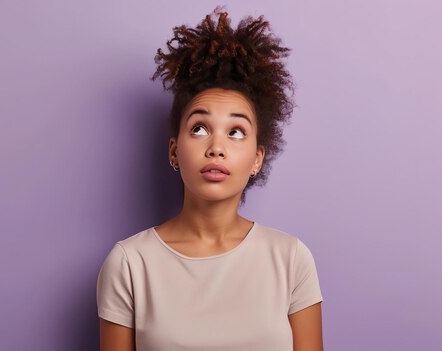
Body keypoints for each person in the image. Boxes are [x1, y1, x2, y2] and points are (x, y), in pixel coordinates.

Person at [97, 6, 324, 351]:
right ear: (174, 151)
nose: (216, 147)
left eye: (236, 132)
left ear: (257, 158)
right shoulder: (129, 264)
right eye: (200, 128)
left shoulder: (291, 259)